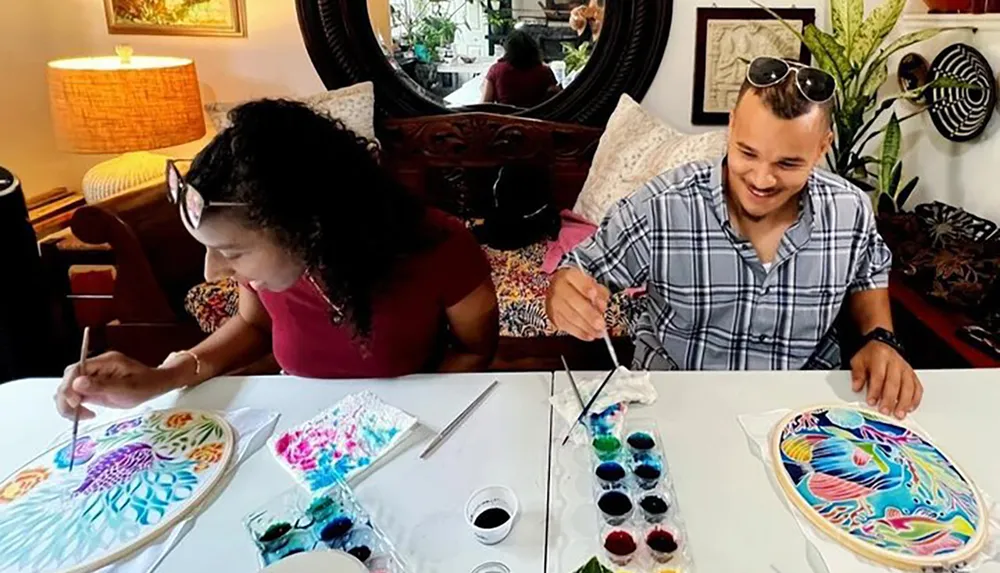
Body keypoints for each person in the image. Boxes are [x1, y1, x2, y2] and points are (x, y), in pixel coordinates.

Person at [55, 99, 499, 420]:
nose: (211, 273)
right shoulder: (273, 269)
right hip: (298, 436)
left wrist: (408, 420)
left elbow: (476, 348)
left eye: (231, 253)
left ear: (309, 228)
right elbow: (254, 325)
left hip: (408, 436)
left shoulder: (440, 245)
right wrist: (161, 378)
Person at [546, 57, 923, 419]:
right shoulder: (662, 205)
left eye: (787, 164)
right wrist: (564, 291)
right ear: (731, 127)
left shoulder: (850, 209)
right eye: (747, 153)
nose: (761, 179)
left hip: (802, 409)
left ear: (822, 147)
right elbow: (580, 269)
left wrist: (880, 340)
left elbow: (866, 279)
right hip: (675, 401)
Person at [482, 30, 560, 108]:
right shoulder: (544, 71)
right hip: (535, 118)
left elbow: (484, 105)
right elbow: (557, 98)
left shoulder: (496, 70)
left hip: (505, 118)